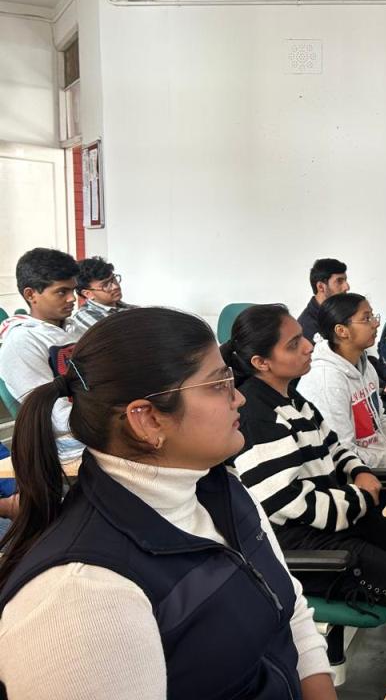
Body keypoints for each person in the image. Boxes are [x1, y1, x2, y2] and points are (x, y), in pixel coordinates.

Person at [0, 307, 337, 700]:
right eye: (219, 384)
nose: (239, 397)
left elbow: (290, 612)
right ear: (147, 420)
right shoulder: (81, 598)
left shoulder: (218, 487)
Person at [223, 304, 386, 635]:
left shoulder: (292, 400)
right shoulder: (257, 417)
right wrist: (359, 497)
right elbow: (288, 502)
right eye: (293, 344)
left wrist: (359, 471)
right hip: (308, 545)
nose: (308, 346)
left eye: (303, 337)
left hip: (337, 520)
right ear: (262, 362)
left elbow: (334, 445)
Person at [296, 258, 386, 432]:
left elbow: (363, 360)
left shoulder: (345, 315)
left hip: (370, 385)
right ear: (321, 287)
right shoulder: (310, 330)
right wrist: (383, 388)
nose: (347, 286)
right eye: (339, 281)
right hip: (359, 395)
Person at [298, 293, 386, 470]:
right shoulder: (327, 381)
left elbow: (380, 418)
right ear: (342, 331)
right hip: (366, 474)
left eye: (373, 316)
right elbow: (344, 453)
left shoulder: (362, 363)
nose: (376, 323)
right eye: (366, 319)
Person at [0, 248, 85, 464]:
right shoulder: (22, 342)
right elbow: (51, 414)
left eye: (73, 290)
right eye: (61, 292)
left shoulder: (76, 330)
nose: (72, 299)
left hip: (92, 425)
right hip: (63, 446)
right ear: (31, 295)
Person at [70, 256, 136, 331]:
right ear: (88, 294)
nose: (115, 286)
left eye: (113, 279)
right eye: (105, 285)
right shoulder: (85, 316)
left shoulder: (125, 307)